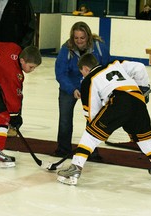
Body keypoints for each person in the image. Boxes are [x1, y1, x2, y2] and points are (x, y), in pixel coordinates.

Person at [57, 53, 151, 185]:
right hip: (138, 101)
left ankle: (75, 168)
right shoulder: (115, 64)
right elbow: (139, 67)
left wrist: (93, 127)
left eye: (82, 72)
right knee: (144, 139)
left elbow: (92, 111)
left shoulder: (89, 79)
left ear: (85, 69)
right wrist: (143, 88)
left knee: (90, 135)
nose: (82, 75)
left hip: (119, 101)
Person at [54, 21, 111, 159]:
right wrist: (72, 89)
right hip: (70, 88)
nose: (79, 41)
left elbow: (107, 68)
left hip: (92, 88)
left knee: (92, 119)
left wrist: (102, 89)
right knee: (65, 120)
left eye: (82, 38)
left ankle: (91, 151)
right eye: (76, 38)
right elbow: (60, 73)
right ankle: (63, 149)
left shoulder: (99, 47)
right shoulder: (66, 49)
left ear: (88, 37)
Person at [0, 0, 36, 137]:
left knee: (13, 89)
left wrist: (20, 50)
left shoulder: (22, 3)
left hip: (14, 54)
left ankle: (13, 124)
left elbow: (30, 27)